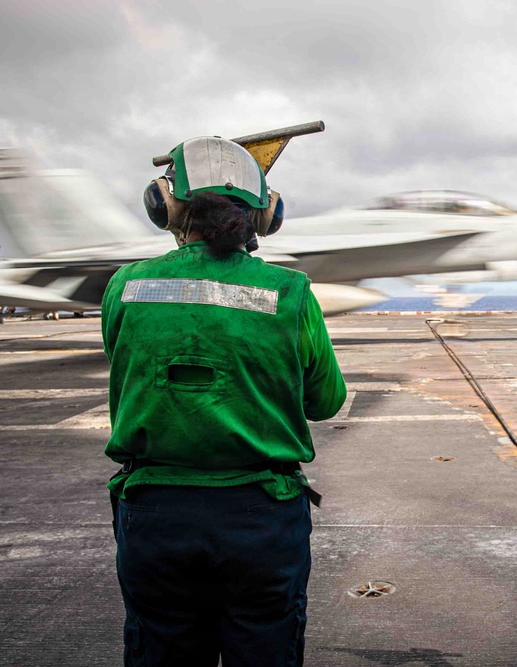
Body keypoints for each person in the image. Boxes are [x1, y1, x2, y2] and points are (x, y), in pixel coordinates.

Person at [102, 136, 346, 667]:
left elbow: (122, 362)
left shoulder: (125, 286)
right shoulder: (290, 291)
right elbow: (326, 401)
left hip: (154, 514)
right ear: (265, 216)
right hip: (261, 516)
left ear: (165, 206)